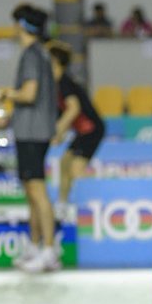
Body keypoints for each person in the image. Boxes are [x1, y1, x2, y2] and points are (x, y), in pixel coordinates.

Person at [0, 4, 58, 273]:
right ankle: (35, 246)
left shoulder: (31, 55)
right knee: (32, 191)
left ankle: (49, 251)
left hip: (32, 132)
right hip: (33, 129)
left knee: (37, 190)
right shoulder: (40, 54)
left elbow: (30, 94)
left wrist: (5, 93)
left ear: (21, 25)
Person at [47, 41, 104, 215]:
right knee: (65, 163)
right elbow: (62, 113)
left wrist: (57, 131)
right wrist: (59, 134)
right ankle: (62, 204)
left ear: (55, 62)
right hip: (82, 132)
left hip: (92, 130)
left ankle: (104, 198)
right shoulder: (55, 85)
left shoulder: (65, 82)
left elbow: (74, 108)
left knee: (76, 170)